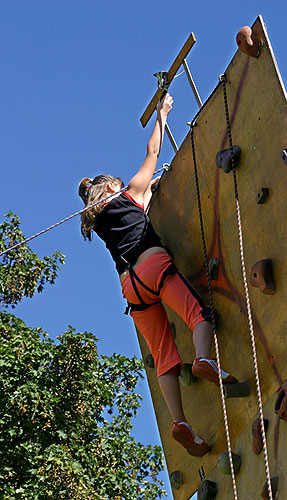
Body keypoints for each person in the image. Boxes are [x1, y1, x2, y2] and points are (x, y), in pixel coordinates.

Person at [78, 94, 237, 457]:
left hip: (130, 288)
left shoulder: (101, 220)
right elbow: (152, 154)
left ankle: (179, 420)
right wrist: (162, 116)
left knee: (163, 354)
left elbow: (143, 205)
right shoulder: (128, 192)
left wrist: (148, 191)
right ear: (113, 187)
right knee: (200, 313)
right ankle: (203, 358)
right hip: (152, 266)